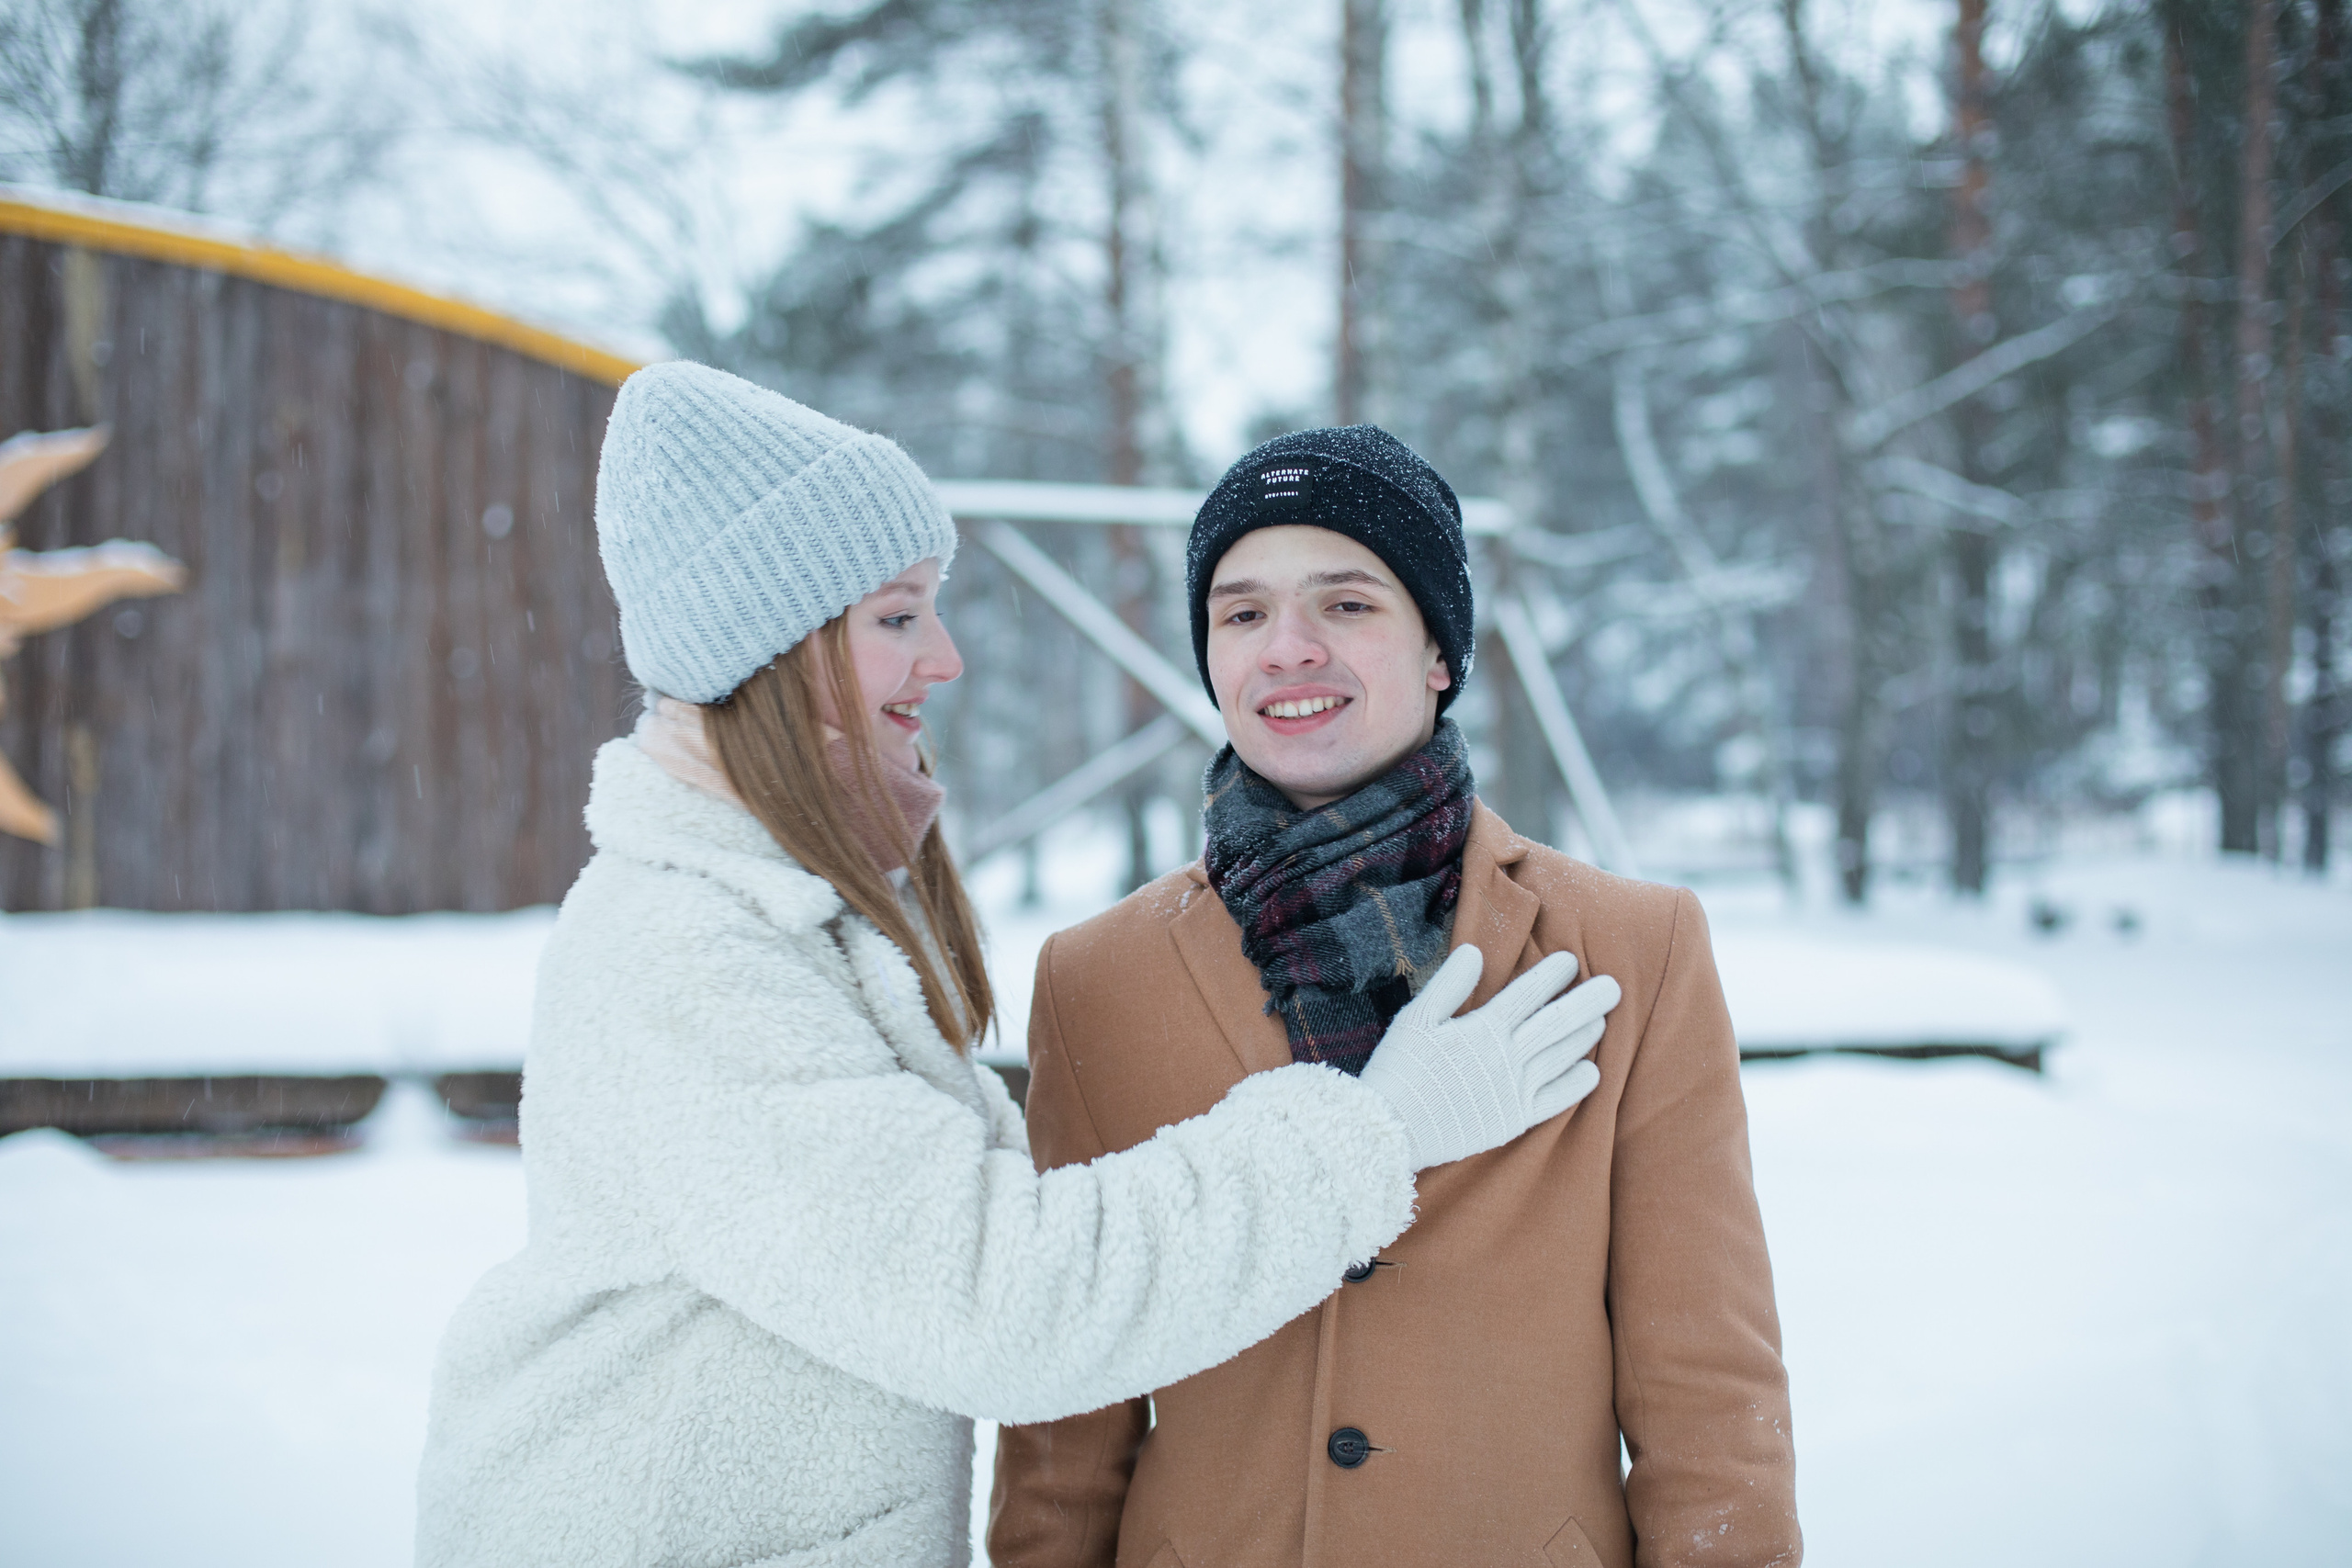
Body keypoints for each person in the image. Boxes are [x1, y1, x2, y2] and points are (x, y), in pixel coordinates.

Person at [411, 366, 1623, 1568]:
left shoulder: (793, 915)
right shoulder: (690, 953)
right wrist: (1373, 1128)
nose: (943, 657)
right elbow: (998, 1294)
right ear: (776, 651)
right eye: (897, 617)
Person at [989, 428, 1801, 1568]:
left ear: (1437, 650)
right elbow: (1067, 1404)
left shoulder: (1632, 946)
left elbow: (1707, 1390)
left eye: (1348, 604)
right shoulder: (1093, 981)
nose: (1288, 650)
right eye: (1241, 613)